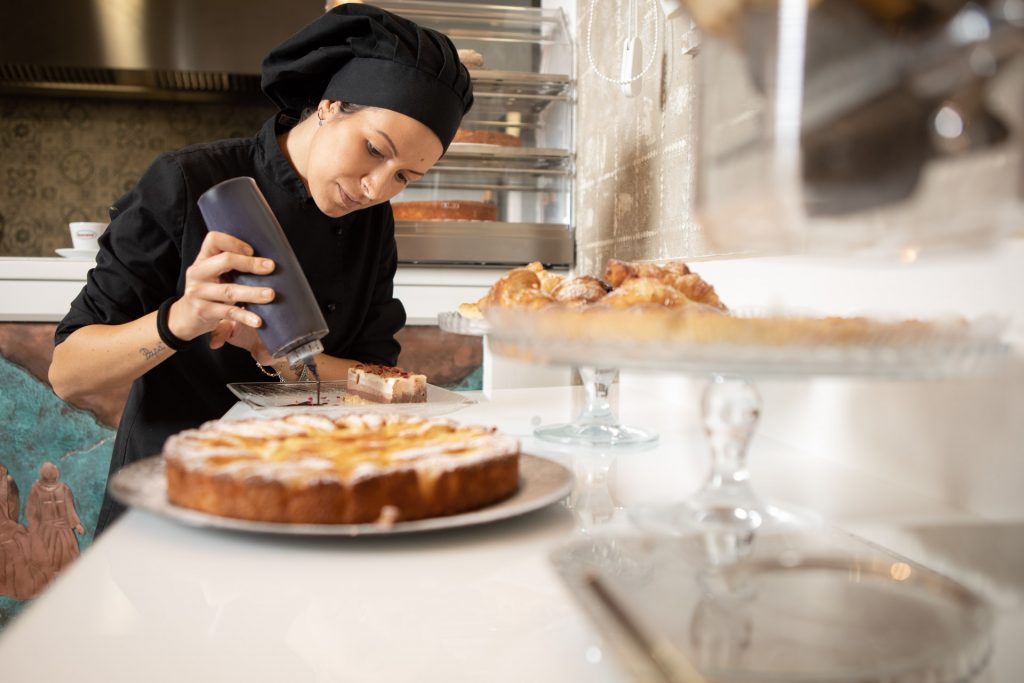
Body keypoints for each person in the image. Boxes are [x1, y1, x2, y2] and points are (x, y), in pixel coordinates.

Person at [48, 4, 474, 533]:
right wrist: (180, 320)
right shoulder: (186, 181)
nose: (375, 188)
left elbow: (370, 376)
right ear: (330, 105)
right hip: (172, 499)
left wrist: (285, 358)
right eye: (372, 150)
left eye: (404, 177)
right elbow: (68, 374)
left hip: (308, 497)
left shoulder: (371, 220)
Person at [26, 463, 84, 577]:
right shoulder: (38, 490)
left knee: (66, 562)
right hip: (50, 532)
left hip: (57, 531)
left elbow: (69, 508)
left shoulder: (63, 489)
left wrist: (77, 524)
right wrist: (33, 528)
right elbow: (32, 512)